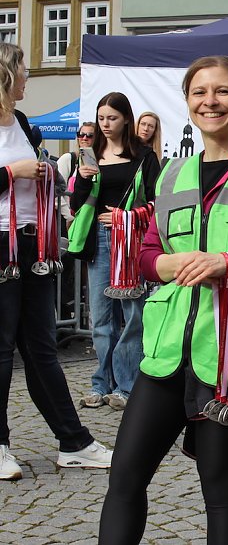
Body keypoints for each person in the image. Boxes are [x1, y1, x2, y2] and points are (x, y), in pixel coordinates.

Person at [98, 55, 228, 544]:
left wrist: (225, 263)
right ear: (187, 102)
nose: (210, 102)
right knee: (124, 477)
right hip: (167, 352)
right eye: (199, 92)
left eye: (222, 92)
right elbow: (150, 254)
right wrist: (170, 265)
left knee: (219, 490)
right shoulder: (171, 173)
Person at [0, 42, 113, 481]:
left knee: (42, 350)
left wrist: (46, 172)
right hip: (1, 244)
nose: (29, 77)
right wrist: (12, 173)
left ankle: (74, 442)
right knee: (2, 352)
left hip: (34, 242)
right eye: (24, 71)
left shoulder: (24, 123)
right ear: (7, 75)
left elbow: (39, 168)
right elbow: (12, 173)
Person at [68, 92, 160, 411]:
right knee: (101, 316)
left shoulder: (144, 156)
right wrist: (81, 179)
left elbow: (158, 203)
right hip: (99, 240)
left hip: (132, 241)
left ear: (126, 120)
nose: (106, 124)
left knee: (133, 315)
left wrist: (129, 217)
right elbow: (77, 205)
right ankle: (100, 383)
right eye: (102, 117)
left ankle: (126, 384)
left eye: (113, 118)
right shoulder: (90, 155)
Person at [57, 121, 96, 224]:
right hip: (68, 219)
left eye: (90, 135)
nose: (84, 138)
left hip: (90, 218)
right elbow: (56, 190)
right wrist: (69, 217)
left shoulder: (101, 162)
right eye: (81, 135)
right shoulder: (69, 159)